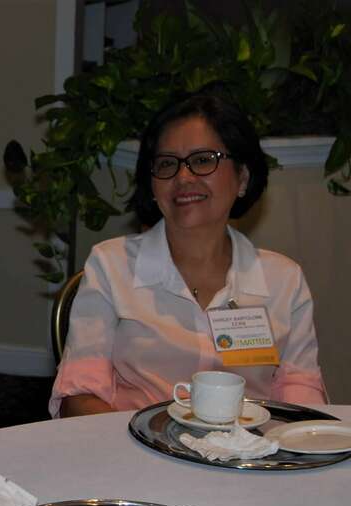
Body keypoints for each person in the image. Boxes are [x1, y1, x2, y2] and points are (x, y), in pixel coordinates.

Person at [50, 93, 326, 417]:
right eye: (167, 164)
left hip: (250, 447)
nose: (183, 178)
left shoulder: (283, 280)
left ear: (242, 177)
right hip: (135, 444)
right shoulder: (112, 266)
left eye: (204, 160)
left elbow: (301, 397)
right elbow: (79, 395)